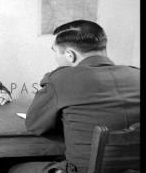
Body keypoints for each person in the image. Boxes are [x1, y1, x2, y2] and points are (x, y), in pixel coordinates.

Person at [9, 20, 140, 173]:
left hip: (80, 170)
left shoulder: (60, 78)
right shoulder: (136, 74)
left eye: (55, 52)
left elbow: (35, 125)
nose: (56, 58)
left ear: (70, 55)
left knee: (15, 168)